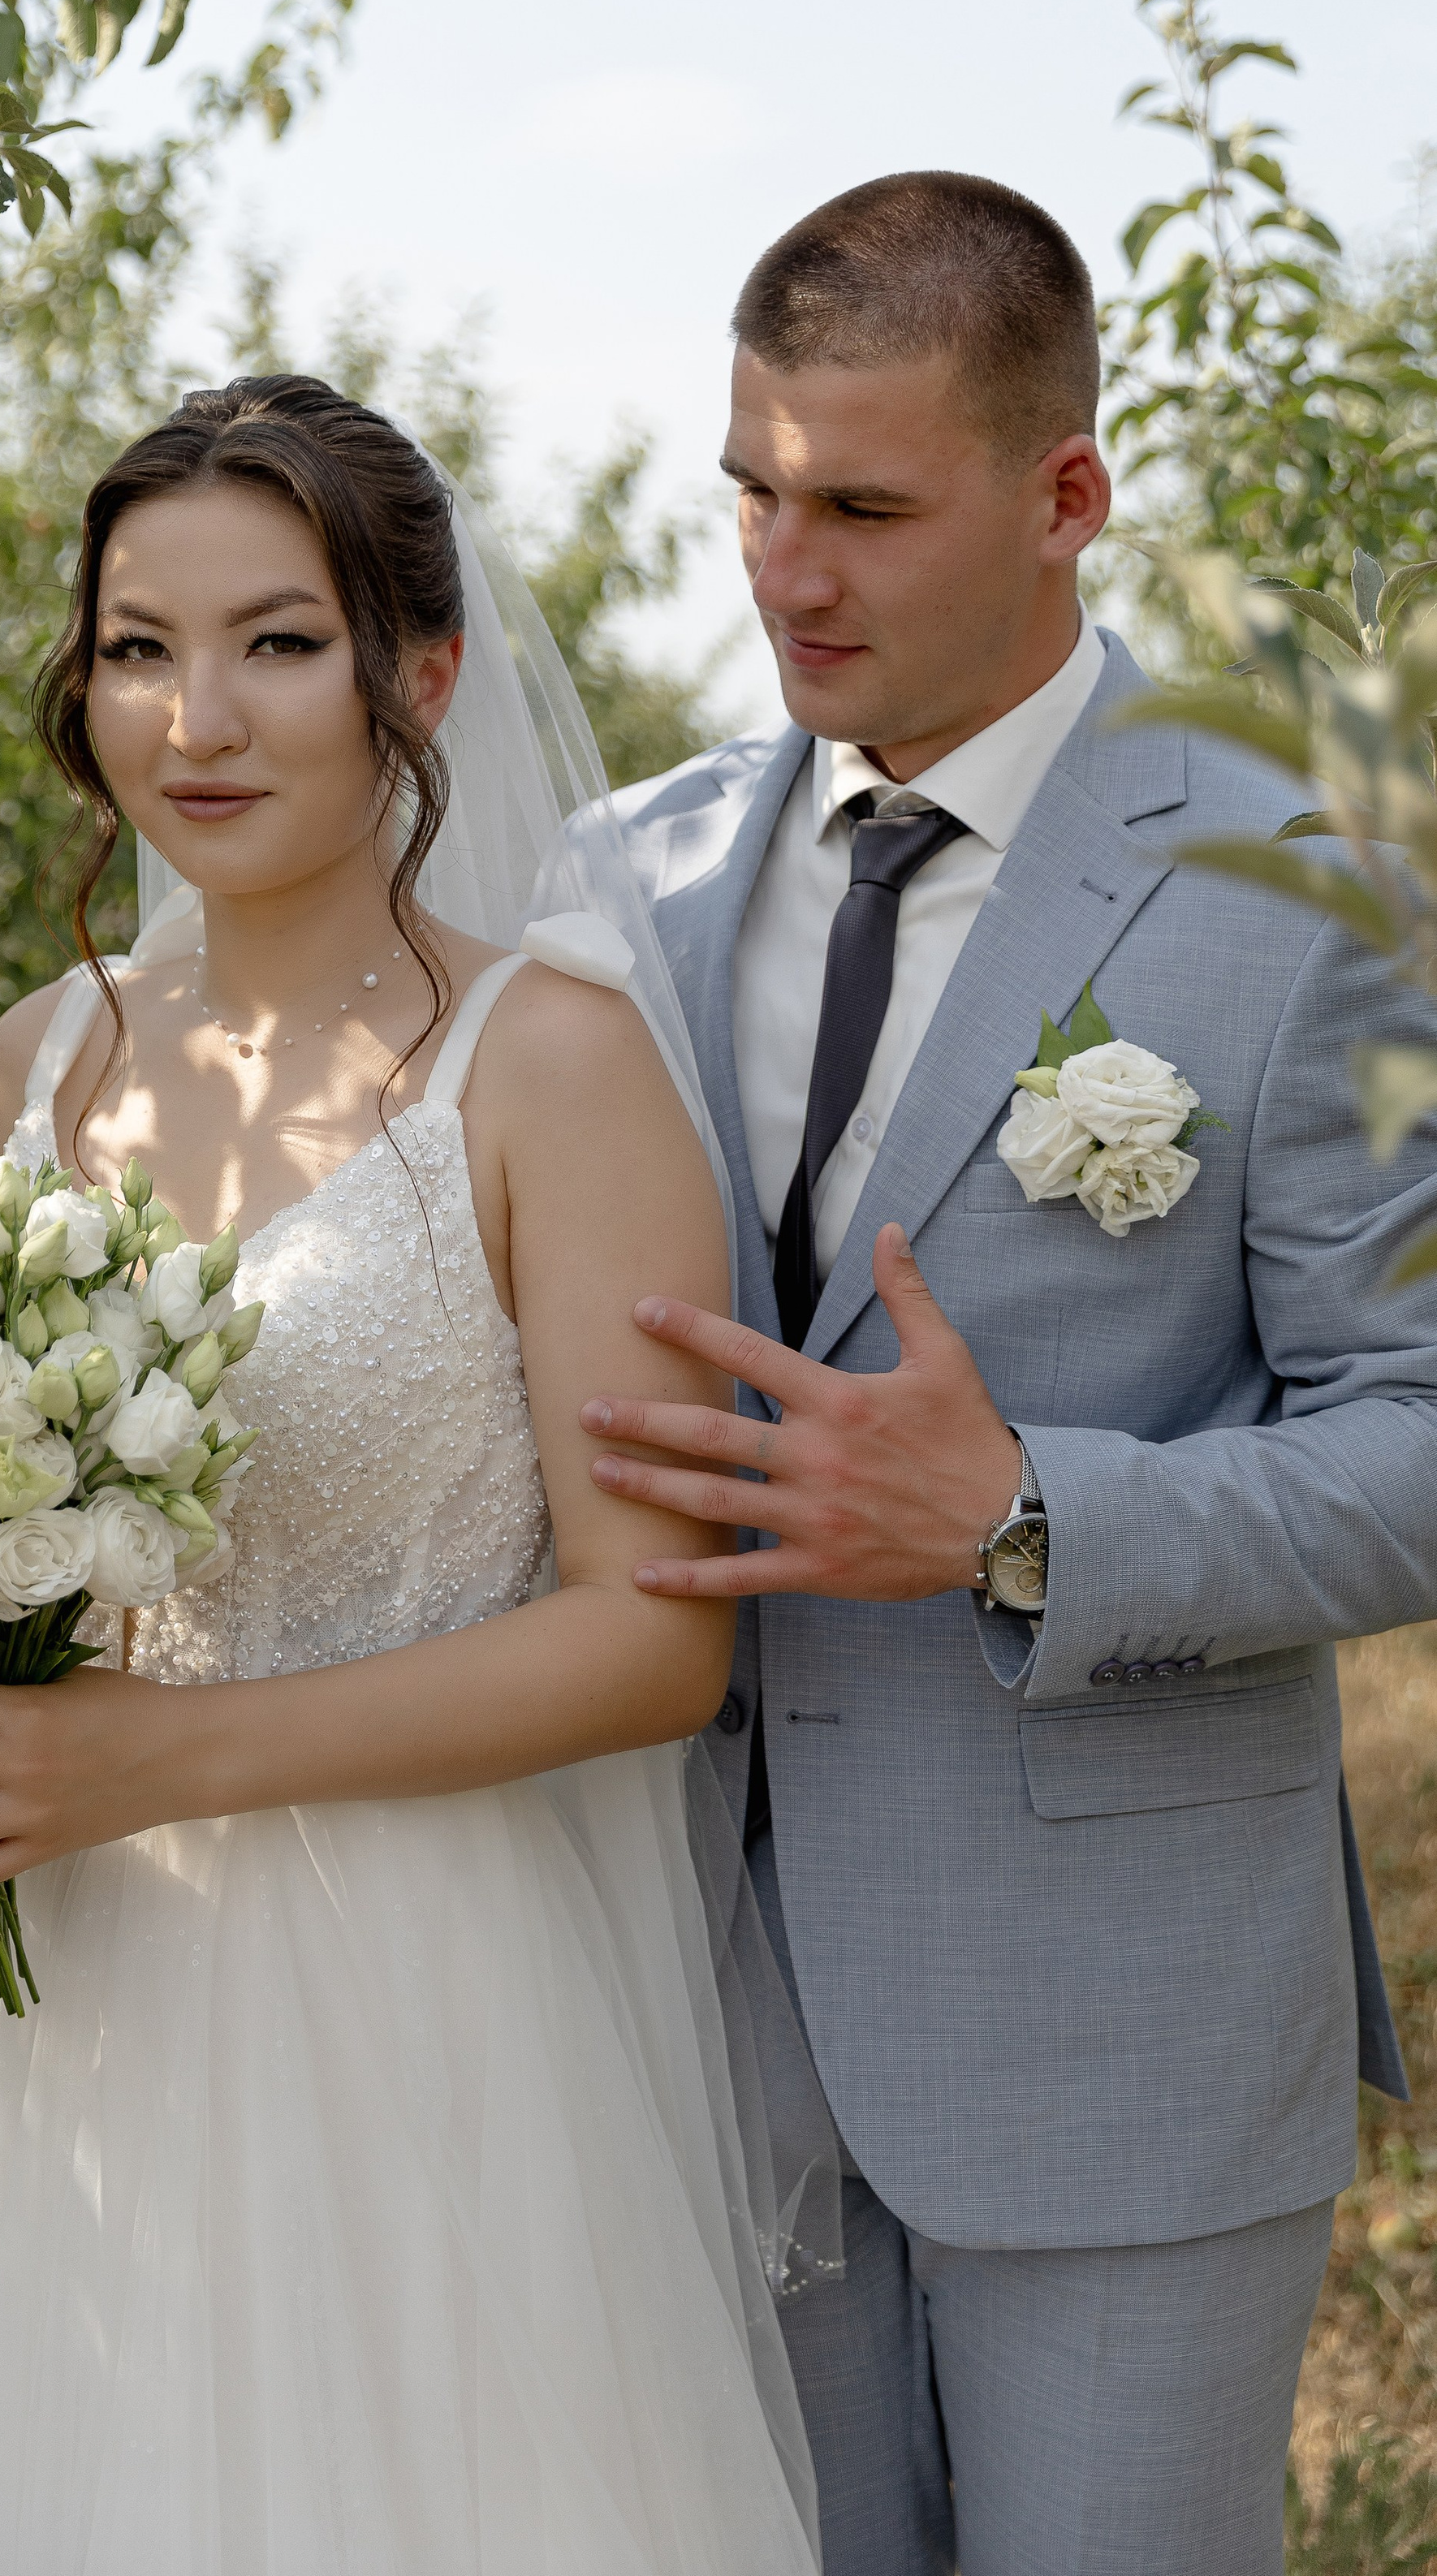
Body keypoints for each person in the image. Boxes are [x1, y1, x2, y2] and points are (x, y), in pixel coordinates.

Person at [0, 376, 823, 2576]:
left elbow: (654, 1640)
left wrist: (155, 1760)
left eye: (278, 643)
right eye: (137, 647)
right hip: (57, 1992)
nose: (193, 720)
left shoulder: (551, 1064)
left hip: (422, 2000)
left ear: (425, 672)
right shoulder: (43, 1059)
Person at [595, 171, 1437, 2576]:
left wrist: (1025, 1518)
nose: (785, 574)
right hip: (684, 2021)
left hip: (1120, 2042)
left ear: (1069, 495)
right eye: (752, 493)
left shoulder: (1315, 879)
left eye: (863, 509)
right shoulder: (630, 878)